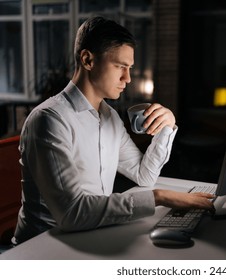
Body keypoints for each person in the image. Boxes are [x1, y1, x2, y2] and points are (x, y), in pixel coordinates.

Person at [12, 16, 214, 245]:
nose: (127, 78)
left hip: (91, 235)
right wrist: (159, 197)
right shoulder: (49, 120)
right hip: (44, 249)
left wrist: (167, 126)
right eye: (120, 66)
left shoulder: (109, 116)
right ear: (88, 60)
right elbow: (72, 213)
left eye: (129, 68)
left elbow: (144, 175)